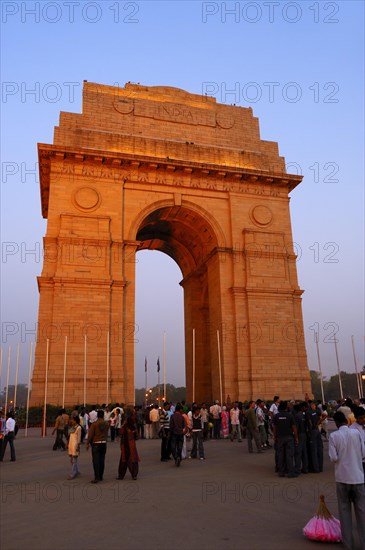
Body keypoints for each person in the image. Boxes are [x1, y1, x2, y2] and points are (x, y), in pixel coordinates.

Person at [329, 411, 365, 550]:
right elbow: (363, 453)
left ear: (337, 423)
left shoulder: (334, 436)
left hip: (342, 477)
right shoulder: (356, 433)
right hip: (358, 477)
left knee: (344, 512)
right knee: (362, 513)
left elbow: (333, 457)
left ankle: (348, 544)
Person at [272, 400, 298, 478]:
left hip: (280, 438)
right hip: (289, 437)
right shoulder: (290, 415)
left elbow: (274, 428)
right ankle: (290, 472)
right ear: (286, 407)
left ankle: (281, 472)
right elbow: (294, 428)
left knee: (281, 455)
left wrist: (274, 437)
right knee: (289, 455)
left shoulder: (276, 416)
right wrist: (296, 438)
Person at [86, 410, 109, 483]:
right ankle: (101, 476)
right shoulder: (107, 424)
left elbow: (90, 435)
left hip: (96, 443)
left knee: (96, 461)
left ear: (97, 415)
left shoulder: (94, 424)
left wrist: (87, 443)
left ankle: (97, 477)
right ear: (103, 415)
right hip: (103, 443)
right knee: (102, 460)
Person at [117, 410, 140, 480]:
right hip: (131, 444)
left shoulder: (125, 426)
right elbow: (137, 437)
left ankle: (121, 475)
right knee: (133, 460)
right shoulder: (133, 427)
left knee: (124, 460)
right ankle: (134, 474)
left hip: (125, 445)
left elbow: (120, 433)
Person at [350, 406, 365, 482]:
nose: (363, 420)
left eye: (364, 417)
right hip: (359, 461)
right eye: (361, 418)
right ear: (355, 418)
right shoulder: (352, 430)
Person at [66, 415, 82, 479]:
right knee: (72, 459)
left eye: (73, 420)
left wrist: (78, 445)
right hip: (71, 444)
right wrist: (67, 443)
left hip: (75, 444)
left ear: (76, 421)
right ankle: (77, 471)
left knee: (74, 459)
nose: (72, 421)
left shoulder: (79, 428)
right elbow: (69, 436)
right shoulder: (72, 427)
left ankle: (73, 474)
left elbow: (79, 438)